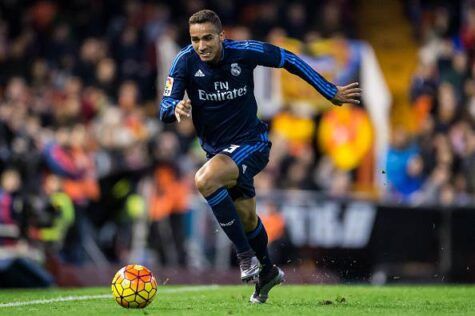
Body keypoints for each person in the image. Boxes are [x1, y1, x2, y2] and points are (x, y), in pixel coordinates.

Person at [159, 9, 361, 304]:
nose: (201, 46)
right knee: (248, 219)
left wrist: (329, 91)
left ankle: (245, 258)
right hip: (219, 153)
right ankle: (267, 271)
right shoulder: (184, 61)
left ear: (221, 37)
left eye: (207, 38)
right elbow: (165, 106)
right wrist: (175, 108)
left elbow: (288, 59)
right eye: (195, 39)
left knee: (204, 180)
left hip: (252, 144)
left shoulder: (244, 51)